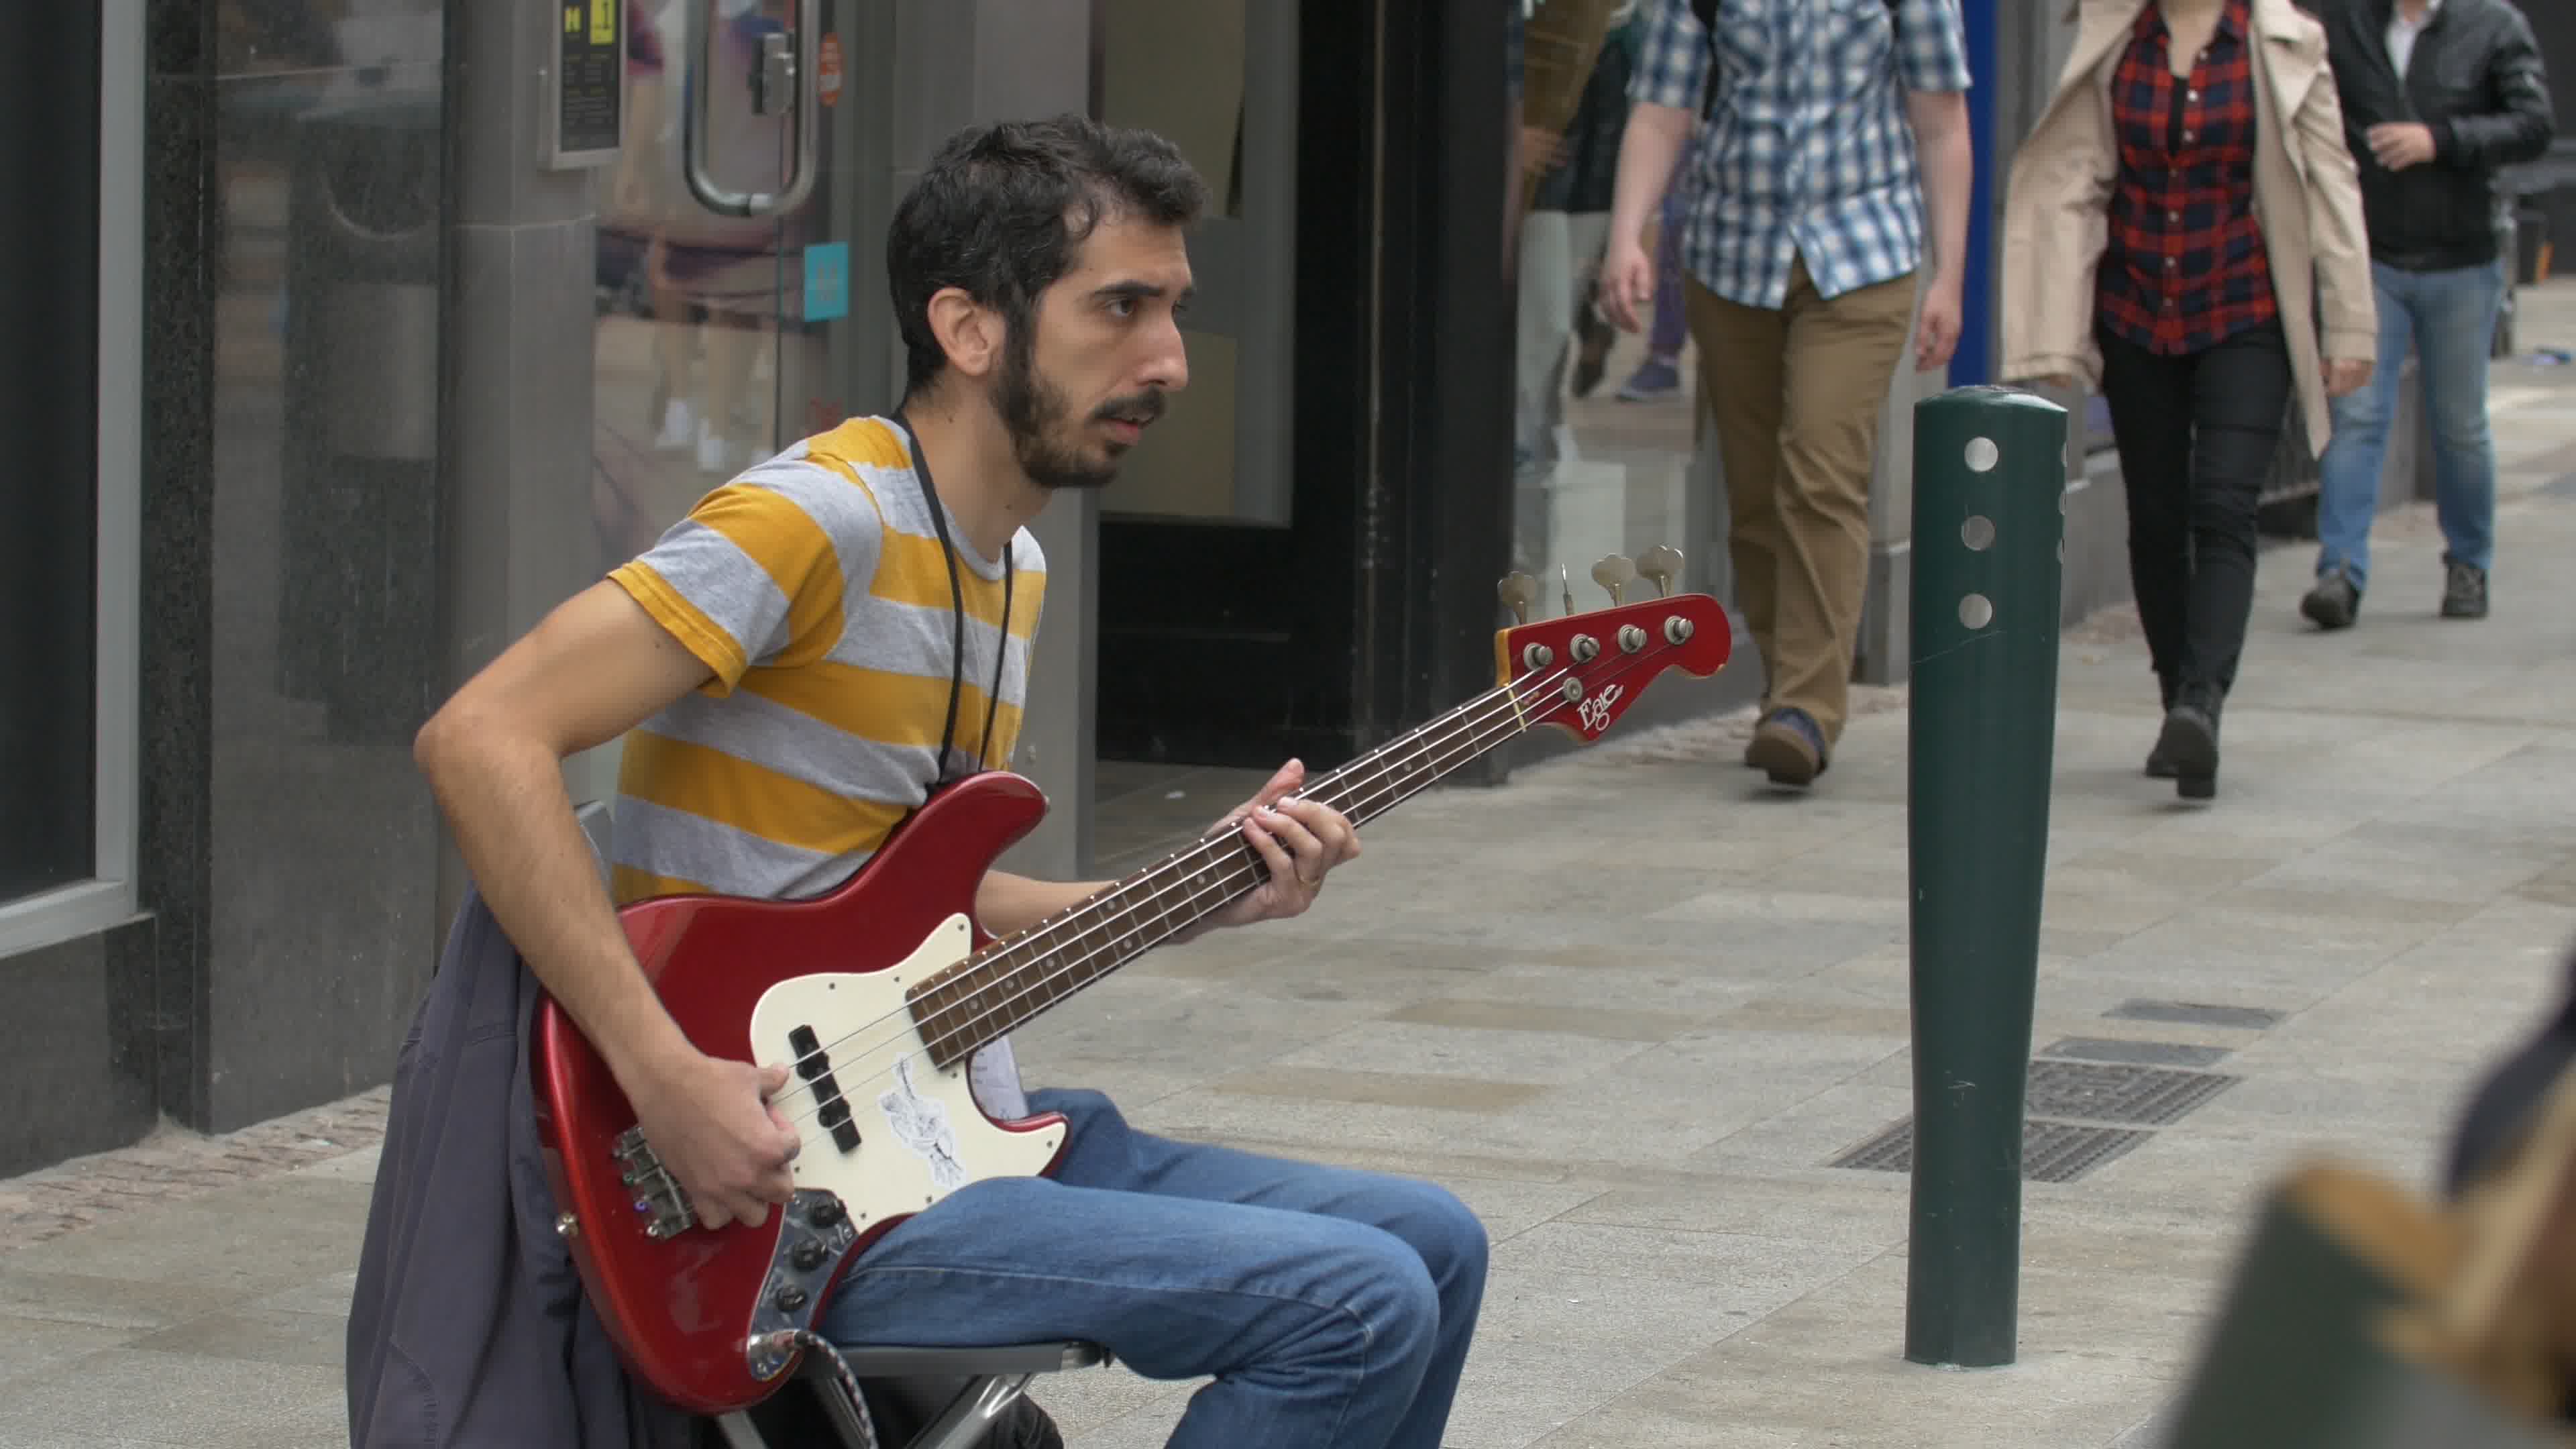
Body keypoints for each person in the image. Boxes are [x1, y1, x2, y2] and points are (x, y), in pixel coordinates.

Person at [406, 115, 1487, 1448]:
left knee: (1433, 1243)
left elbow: (922, 903)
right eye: (1121, 310)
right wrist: (665, 1071)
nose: (1168, 363)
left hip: (947, 1121)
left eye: (1175, 311)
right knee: (1355, 1300)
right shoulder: (816, 519)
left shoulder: (1005, 568)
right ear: (971, 329)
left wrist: (1195, 893)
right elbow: (481, 736)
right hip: (796, 1198)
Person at [2001, 0, 2377, 801]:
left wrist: (2350, 326)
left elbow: (2332, 182)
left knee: (2224, 505)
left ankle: (2204, 703)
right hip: (2139, 312)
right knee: (2158, 517)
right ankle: (2178, 697)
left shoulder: (2281, 42)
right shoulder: (2116, 35)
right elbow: (2075, 176)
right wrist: (2051, 325)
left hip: (2247, 311)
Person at [1598, 0, 1976, 790]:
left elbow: (1941, 122)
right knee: (1757, 496)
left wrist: (1949, 276)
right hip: (1733, 255)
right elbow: (1662, 111)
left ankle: (1806, 708)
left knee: (1820, 467)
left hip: (1864, 254)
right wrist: (1627, 233)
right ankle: (1786, 689)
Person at [2300, 0, 2555, 630]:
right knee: (2357, 414)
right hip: (2373, 256)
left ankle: (2469, 564)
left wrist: (2441, 141)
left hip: (2462, 260)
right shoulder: (2347, 23)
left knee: (2460, 424)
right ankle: (2340, 571)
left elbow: (2533, 124)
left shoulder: (2494, 25)